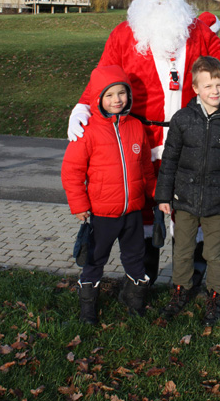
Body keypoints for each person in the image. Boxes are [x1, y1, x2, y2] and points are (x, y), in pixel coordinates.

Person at [67, 0, 220, 284]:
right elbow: (104, 79)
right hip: (141, 139)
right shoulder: (123, 35)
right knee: (144, 213)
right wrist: (83, 106)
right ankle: (143, 278)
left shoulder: (198, 32)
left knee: (192, 210)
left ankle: (190, 280)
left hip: (191, 138)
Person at [155, 56, 220, 326]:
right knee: (183, 250)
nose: (215, 91)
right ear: (196, 88)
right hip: (184, 201)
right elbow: (170, 159)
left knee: (214, 253)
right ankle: (181, 290)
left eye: (219, 85)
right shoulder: (183, 119)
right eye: (208, 86)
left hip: (218, 204)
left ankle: (216, 295)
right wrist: (163, 196)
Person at [61, 65, 156, 323]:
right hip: (102, 213)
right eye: (109, 94)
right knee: (94, 260)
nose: (117, 100)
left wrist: (157, 195)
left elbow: (146, 167)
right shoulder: (87, 131)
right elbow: (71, 171)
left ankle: (135, 304)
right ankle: (88, 311)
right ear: (98, 99)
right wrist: (79, 204)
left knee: (136, 258)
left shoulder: (136, 126)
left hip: (133, 212)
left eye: (121, 93)